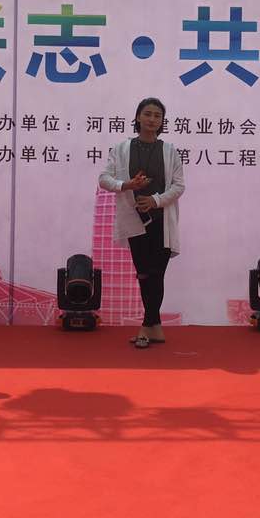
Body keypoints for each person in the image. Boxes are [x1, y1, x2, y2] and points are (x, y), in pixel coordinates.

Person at [98, 97, 185, 349]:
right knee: (145, 275)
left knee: (157, 274)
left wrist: (155, 200)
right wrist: (127, 185)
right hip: (135, 221)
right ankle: (154, 326)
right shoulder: (122, 148)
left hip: (161, 221)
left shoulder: (170, 151)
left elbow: (179, 186)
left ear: (162, 121)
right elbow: (104, 178)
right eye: (147, 114)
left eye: (157, 116)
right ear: (137, 117)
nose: (152, 119)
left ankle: (146, 327)